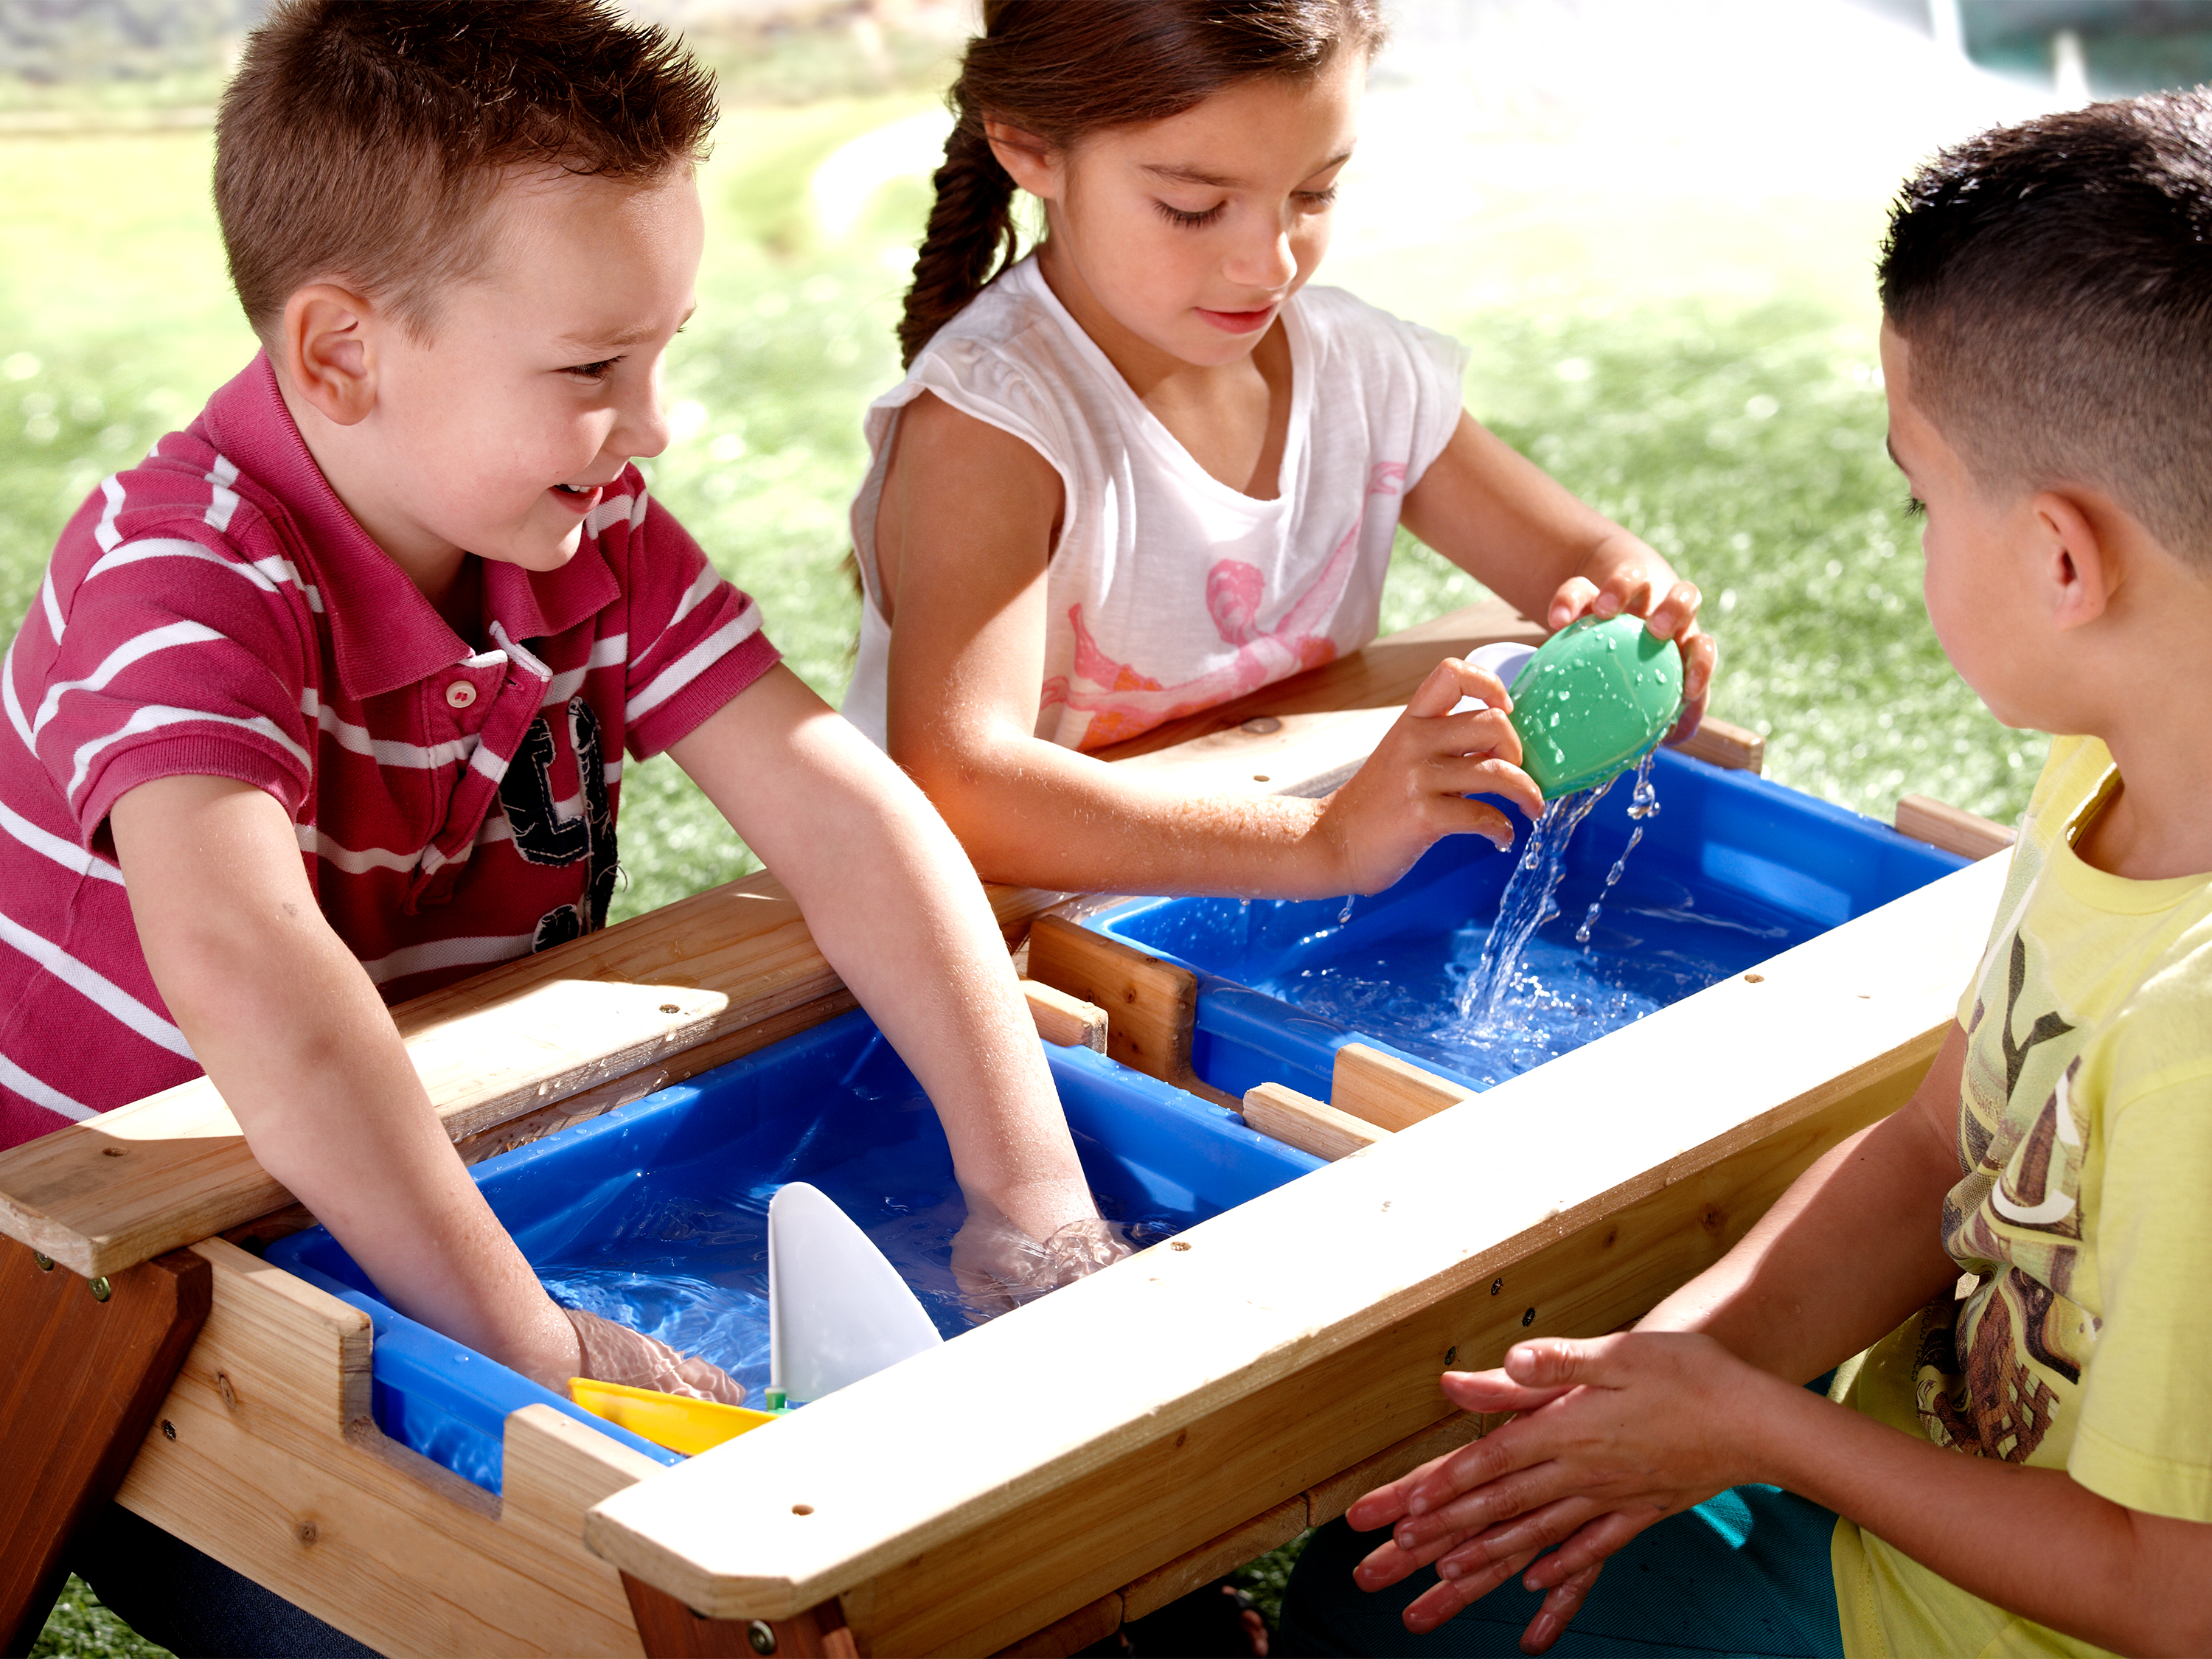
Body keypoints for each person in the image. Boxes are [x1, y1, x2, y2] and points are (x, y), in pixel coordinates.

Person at [0, 4, 1119, 1648]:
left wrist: (1032, 1193)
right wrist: (535, 1351)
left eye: (658, 352)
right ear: (340, 353)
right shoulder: (178, 581)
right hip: (159, 1327)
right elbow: (248, 961)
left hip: (466, 1190)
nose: (653, 426)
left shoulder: (578, 535)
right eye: (596, 369)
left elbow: (842, 809)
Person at [1277, 88, 2212, 1659]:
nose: (1914, 528)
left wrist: (1759, 1433)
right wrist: (1666, 1369)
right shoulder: (2118, 760)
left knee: (1381, 1614)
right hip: (1904, 1492)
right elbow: (1941, 1142)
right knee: (1405, 1554)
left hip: (1994, 1623)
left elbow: (2175, 1595)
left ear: (2064, 562)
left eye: (1924, 493)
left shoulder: (2196, 1043)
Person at [842, 0, 1715, 900]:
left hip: (1210, 892)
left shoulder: (1360, 376)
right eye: (1195, 207)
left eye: (1313, 193)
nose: (1271, 263)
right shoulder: (993, 426)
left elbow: (1582, 560)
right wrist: (1320, 843)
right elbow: (958, 790)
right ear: (1029, 147)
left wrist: (1634, 613)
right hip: (963, 926)